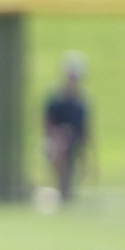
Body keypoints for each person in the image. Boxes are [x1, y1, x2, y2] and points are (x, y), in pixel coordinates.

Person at [42, 52, 92, 202]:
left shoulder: (81, 103)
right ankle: (61, 188)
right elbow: (46, 124)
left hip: (73, 144)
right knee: (57, 148)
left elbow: (86, 129)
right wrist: (58, 135)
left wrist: (89, 155)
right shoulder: (55, 99)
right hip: (55, 142)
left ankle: (65, 190)